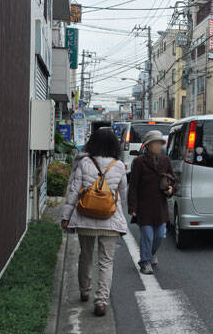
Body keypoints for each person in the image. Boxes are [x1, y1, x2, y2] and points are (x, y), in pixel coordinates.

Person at [61, 129, 128, 317]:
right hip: (110, 220)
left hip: (85, 219)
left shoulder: (84, 162)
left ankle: (84, 290)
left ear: (93, 143)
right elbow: (123, 195)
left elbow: (74, 191)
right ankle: (101, 301)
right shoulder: (119, 165)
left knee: (85, 256)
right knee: (106, 262)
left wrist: (66, 216)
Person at [128, 130, 175, 275]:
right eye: (156, 143)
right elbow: (133, 186)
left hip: (160, 205)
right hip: (144, 206)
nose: (159, 146)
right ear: (148, 145)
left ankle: (151, 253)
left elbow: (173, 180)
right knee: (147, 236)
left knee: (160, 235)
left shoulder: (166, 160)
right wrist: (132, 207)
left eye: (160, 143)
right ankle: (145, 262)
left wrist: (171, 189)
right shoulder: (138, 162)